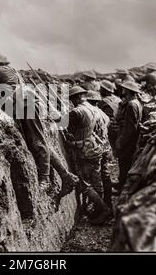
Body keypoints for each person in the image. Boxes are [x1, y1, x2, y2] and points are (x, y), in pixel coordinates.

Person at [0, 53, 79, 196]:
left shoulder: (0, 70)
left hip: (27, 107)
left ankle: (45, 179)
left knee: (37, 142)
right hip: (24, 107)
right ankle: (65, 175)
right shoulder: (11, 72)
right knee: (42, 142)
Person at [66, 87, 112, 224]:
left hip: (85, 152)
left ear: (75, 98)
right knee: (97, 180)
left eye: (72, 99)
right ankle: (100, 211)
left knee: (84, 183)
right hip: (95, 148)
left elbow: (61, 123)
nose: (72, 102)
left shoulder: (76, 111)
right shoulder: (92, 108)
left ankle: (104, 211)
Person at [82, 90, 113, 209]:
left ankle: (100, 209)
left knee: (95, 177)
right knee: (105, 174)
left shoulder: (90, 114)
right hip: (105, 146)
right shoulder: (103, 114)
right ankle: (108, 202)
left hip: (96, 149)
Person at [114, 81, 143, 192]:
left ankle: (122, 188)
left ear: (128, 91)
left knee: (124, 164)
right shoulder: (136, 103)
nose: (122, 91)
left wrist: (120, 142)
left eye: (124, 89)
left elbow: (130, 128)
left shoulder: (131, 104)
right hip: (132, 140)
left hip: (128, 141)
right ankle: (121, 184)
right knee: (125, 164)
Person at [98, 80, 122, 151]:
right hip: (119, 126)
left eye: (101, 89)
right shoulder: (118, 99)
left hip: (109, 128)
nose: (99, 90)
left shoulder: (102, 101)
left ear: (105, 90)